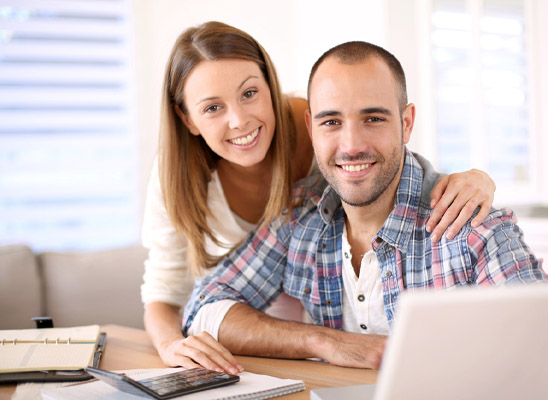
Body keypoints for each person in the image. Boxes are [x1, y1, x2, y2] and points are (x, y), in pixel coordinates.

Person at [142, 22, 497, 374]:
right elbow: (171, 292)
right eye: (212, 108)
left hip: (308, 311)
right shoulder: (180, 174)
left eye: (249, 93)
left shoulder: (322, 135)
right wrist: (171, 344)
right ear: (187, 118)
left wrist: (472, 178)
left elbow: (386, 164)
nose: (239, 120)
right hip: (255, 325)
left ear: (270, 85)